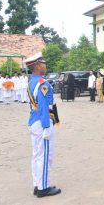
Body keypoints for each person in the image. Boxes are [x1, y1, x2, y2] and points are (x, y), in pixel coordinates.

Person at [25, 52, 61, 198]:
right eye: (43, 63)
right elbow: (44, 107)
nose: (45, 66)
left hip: (34, 121)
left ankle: (38, 184)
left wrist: (53, 120)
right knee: (45, 156)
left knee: (37, 155)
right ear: (38, 66)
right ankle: (43, 188)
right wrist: (47, 125)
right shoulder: (42, 84)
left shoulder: (32, 82)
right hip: (42, 122)